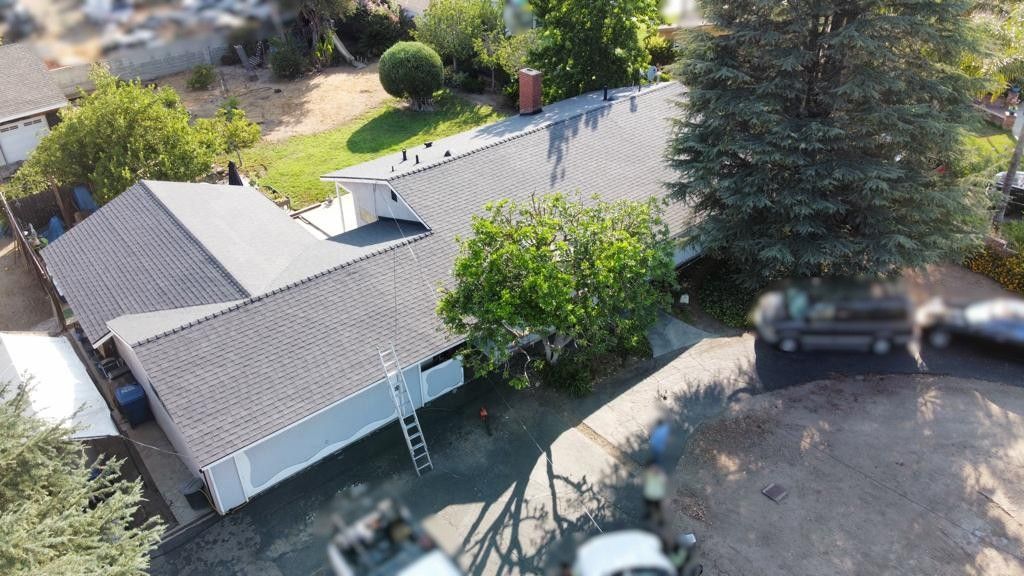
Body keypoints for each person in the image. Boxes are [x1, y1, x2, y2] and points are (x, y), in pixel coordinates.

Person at [642, 460, 668, 527]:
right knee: (648, 506)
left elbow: (664, 481)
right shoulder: (648, 473)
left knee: (658, 509)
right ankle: (649, 514)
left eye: (654, 467)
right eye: (651, 467)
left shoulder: (660, 475)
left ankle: (661, 521)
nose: (652, 469)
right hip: (648, 495)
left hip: (657, 497)